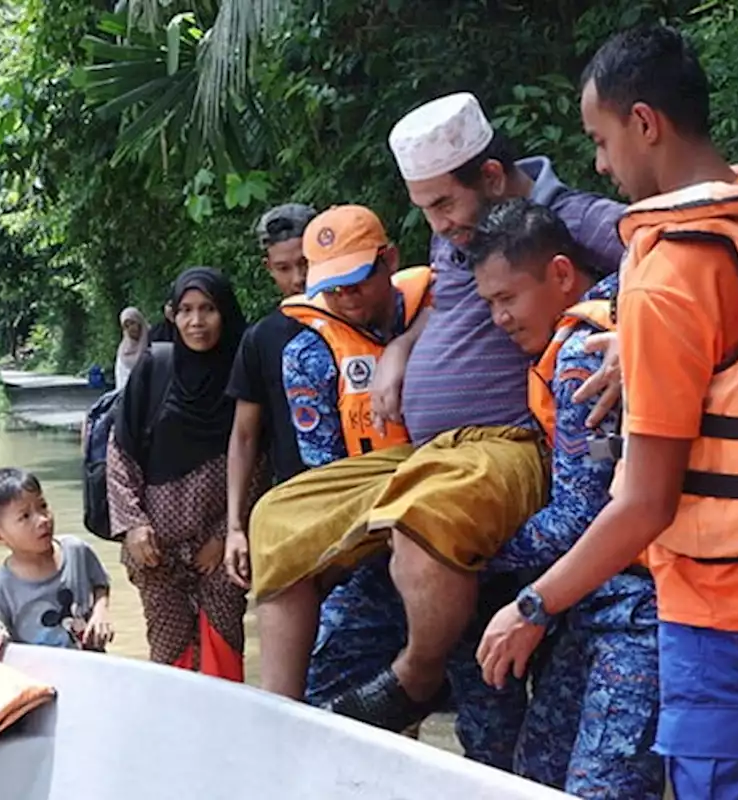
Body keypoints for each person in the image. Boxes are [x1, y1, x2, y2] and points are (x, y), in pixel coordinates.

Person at [478, 25, 738, 800]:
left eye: (599, 139)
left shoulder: (672, 277)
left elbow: (644, 502)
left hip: (722, 611)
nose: (599, 164)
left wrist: (532, 605)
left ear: (645, 124)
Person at [248, 91, 626, 738]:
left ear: (491, 176)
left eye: (444, 204)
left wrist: (639, 327)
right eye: (425, 209)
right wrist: (403, 345)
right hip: (431, 449)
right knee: (279, 516)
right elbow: (450, 306)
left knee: (422, 520)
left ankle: (416, 679)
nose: (439, 222)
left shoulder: (565, 217)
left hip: (509, 443)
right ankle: (276, 725)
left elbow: (673, 251)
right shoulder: (459, 228)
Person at [469, 198, 662, 798]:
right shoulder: (624, 307)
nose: (499, 319)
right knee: (540, 774)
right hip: (593, 602)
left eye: (508, 298)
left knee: (594, 788)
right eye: (489, 304)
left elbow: (580, 517)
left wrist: (470, 555)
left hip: (635, 608)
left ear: (559, 274)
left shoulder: (582, 352)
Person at [106, 267, 265, 681]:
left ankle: (228, 740)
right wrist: (134, 526)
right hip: (155, 549)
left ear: (226, 313)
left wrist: (224, 535)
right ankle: (175, 741)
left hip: (221, 548)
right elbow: (120, 451)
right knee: (169, 655)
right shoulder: (154, 367)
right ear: (172, 316)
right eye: (187, 310)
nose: (197, 322)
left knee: (225, 648)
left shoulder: (245, 371)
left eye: (208, 309)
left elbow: (258, 460)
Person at [223, 203, 317, 589]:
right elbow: (244, 435)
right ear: (268, 268)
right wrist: (235, 527)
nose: (298, 278)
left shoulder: (368, 317)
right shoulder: (262, 340)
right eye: (284, 268)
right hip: (297, 504)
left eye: (307, 263)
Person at [0, 467, 114, 651]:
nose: (43, 519)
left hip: (92, 663)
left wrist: (101, 611)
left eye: (43, 506)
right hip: (42, 675)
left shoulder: (76, 551)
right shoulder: (3, 587)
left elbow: (101, 584)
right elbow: (0, 642)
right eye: (25, 516)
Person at [114, 307, 150, 388]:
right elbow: (121, 379)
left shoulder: (154, 339)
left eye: (132, 323)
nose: (130, 328)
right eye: (126, 326)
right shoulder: (123, 351)